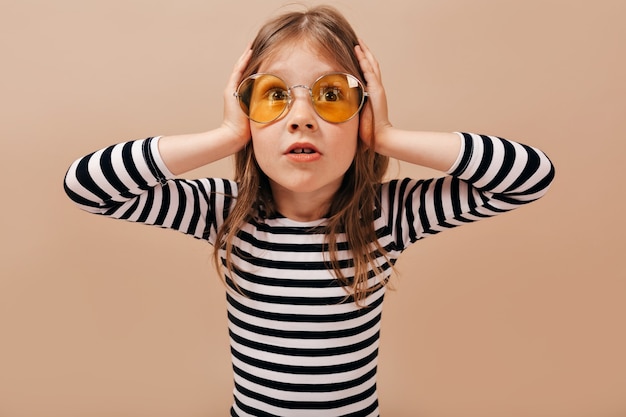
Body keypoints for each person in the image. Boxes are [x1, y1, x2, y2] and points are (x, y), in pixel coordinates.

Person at [63, 5, 555, 416]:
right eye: (275, 96)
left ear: (363, 113)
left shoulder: (387, 216)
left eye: (332, 96)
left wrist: (387, 135)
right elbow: (87, 186)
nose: (301, 118)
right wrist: (225, 136)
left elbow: (530, 176)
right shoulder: (224, 212)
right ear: (247, 112)